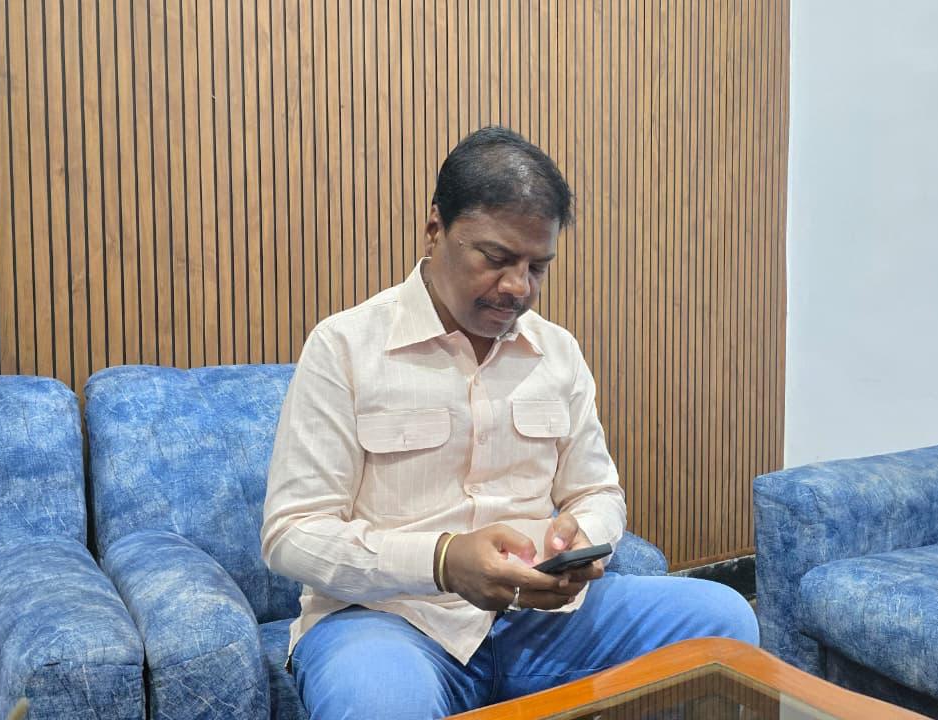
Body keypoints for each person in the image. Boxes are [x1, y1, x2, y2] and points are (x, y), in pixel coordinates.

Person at [261, 126, 758, 719]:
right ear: (435, 228)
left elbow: (597, 491)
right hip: (390, 621)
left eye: (537, 266)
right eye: (496, 259)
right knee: (381, 704)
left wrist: (582, 537)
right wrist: (444, 560)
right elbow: (292, 534)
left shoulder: (557, 352)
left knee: (723, 620)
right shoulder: (345, 347)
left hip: (540, 619)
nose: (518, 288)